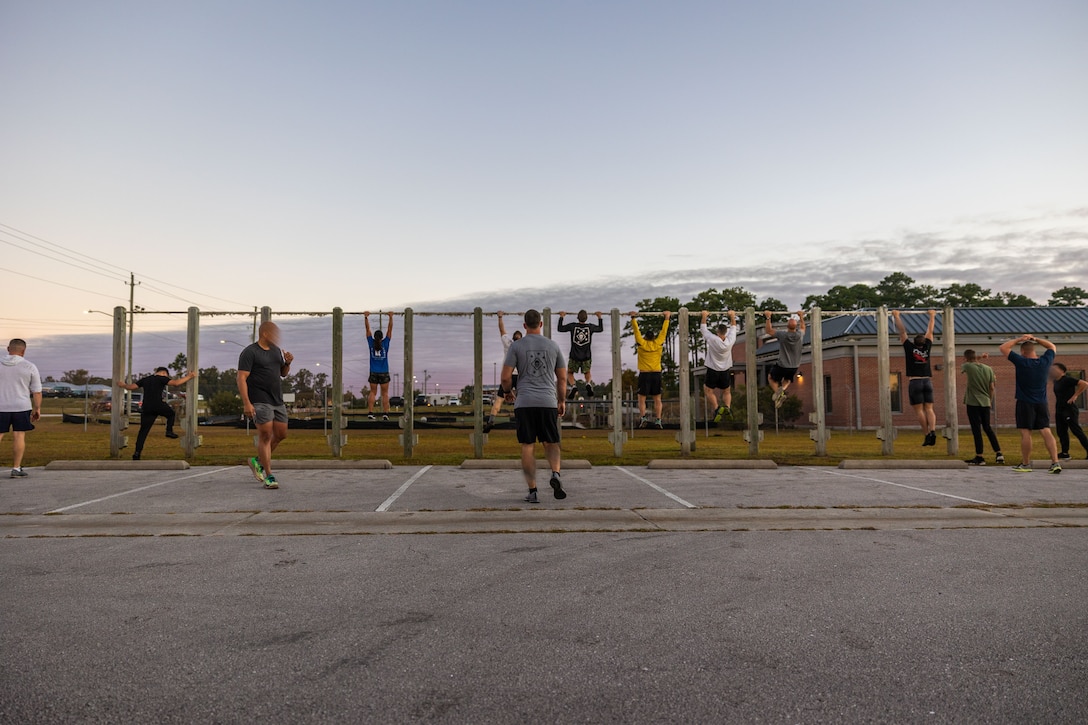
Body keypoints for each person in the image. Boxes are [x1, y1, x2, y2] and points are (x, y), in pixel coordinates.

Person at [501, 309, 567, 503]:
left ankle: (533, 491)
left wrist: (507, 392)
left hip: (525, 403)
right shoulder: (553, 346)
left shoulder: (516, 346)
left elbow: (505, 377)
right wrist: (561, 401)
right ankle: (555, 474)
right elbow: (562, 378)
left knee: (528, 445)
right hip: (547, 402)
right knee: (551, 442)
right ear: (540, 324)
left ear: (524, 326)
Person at [237, 322, 294, 489]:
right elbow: (241, 378)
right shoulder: (250, 352)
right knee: (266, 436)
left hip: (277, 400)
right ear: (265, 334)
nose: (277, 337)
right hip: (259, 399)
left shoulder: (276, 351)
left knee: (281, 434)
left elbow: (282, 374)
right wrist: (247, 403)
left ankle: (257, 461)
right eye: (274, 333)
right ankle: (269, 475)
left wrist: (288, 363)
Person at [999, 334, 1060, 474]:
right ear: (1034, 350)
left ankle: (1026, 464)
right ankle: (1055, 462)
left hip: (1025, 402)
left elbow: (1003, 347)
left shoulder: (1021, 362)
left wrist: (1019, 339)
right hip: (1042, 403)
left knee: (1026, 433)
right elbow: (1051, 346)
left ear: (1022, 352)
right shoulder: (1045, 361)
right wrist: (1036, 339)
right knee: (1046, 430)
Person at [116, 367, 197, 460]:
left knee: (143, 431)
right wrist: (190, 376)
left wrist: (122, 385)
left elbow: (131, 387)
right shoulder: (161, 378)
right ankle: (169, 431)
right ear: (163, 373)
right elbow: (176, 383)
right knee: (171, 414)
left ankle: (137, 453)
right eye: (166, 375)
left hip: (146, 407)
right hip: (158, 404)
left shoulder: (145, 379)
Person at [893, 309, 938, 446]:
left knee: (919, 410)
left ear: (914, 342)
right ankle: (933, 430)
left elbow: (902, 331)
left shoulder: (909, 347)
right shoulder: (927, 347)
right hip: (927, 381)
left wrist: (896, 316)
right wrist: (932, 316)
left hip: (915, 381)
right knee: (929, 408)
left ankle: (926, 434)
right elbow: (930, 330)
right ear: (924, 342)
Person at [0, 339, 42, 478]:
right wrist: (37, 409)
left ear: (8, 349)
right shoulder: (29, 366)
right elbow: (36, 391)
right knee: (19, 435)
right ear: (23, 351)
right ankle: (16, 468)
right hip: (21, 406)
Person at [960, 350, 1003, 465]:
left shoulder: (968, 366)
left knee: (976, 430)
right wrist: (989, 400)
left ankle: (980, 457)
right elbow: (992, 387)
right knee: (987, 428)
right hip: (986, 402)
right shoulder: (988, 369)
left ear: (965, 358)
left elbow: (967, 364)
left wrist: (979, 357)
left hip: (973, 402)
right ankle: (999, 453)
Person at [630, 310, 671, 428]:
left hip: (645, 374)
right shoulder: (658, 343)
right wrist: (667, 318)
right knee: (657, 399)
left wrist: (633, 319)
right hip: (656, 374)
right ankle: (658, 420)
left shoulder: (641, 344)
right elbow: (664, 332)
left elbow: (636, 332)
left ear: (645, 337)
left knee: (641, 399)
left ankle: (643, 418)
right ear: (653, 337)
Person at [484, 312, 521, 432]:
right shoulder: (524, 346)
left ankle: (491, 421)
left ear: (513, 338)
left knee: (499, 400)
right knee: (523, 400)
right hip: (519, 376)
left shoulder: (508, 343)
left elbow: (501, 329)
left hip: (507, 375)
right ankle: (524, 421)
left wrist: (500, 317)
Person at [557, 310, 604, 399]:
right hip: (586, 356)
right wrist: (599, 317)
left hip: (574, 355)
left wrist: (561, 317)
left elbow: (560, 328)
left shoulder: (573, 326)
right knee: (587, 372)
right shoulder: (590, 327)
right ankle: (588, 383)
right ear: (586, 318)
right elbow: (600, 329)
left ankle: (573, 386)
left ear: (577, 317)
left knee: (570, 373)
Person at [764, 310, 806, 409]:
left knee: (771, 377)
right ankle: (782, 389)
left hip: (782, 364)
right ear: (796, 327)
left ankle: (778, 393)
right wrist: (801, 316)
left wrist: (768, 317)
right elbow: (803, 327)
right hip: (794, 366)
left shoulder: (782, 335)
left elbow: (769, 330)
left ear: (787, 326)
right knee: (787, 379)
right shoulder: (800, 335)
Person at [701, 309, 737, 423]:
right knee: (727, 391)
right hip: (725, 370)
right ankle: (727, 408)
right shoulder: (730, 340)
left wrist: (704, 316)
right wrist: (732, 316)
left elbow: (703, 329)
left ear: (718, 332)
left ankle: (717, 409)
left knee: (708, 390)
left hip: (713, 370)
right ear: (726, 332)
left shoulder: (713, 339)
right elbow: (734, 327)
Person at [1050, 362, 1088, 459]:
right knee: (1061, 431)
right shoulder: (1056, 381)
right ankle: (1065, 453)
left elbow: (1084, 384)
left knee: (1076, 431)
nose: (1052, 371)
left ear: (1062, 371)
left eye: (1055, 369)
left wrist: (1075, 396)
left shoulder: (1067, 379)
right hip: (1059, 409)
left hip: (1069, 409)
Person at [364, 311, 393, 420]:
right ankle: (385, 414)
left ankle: (370, 413)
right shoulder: (385, 343)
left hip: (373, 372)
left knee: (373, 392)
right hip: (384, 371)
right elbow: (390, 330)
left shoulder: (371, 342)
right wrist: (391, 317)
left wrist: (366, 318)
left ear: (375, 337)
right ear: (381, 338)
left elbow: (367, 330)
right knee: (385, 394)